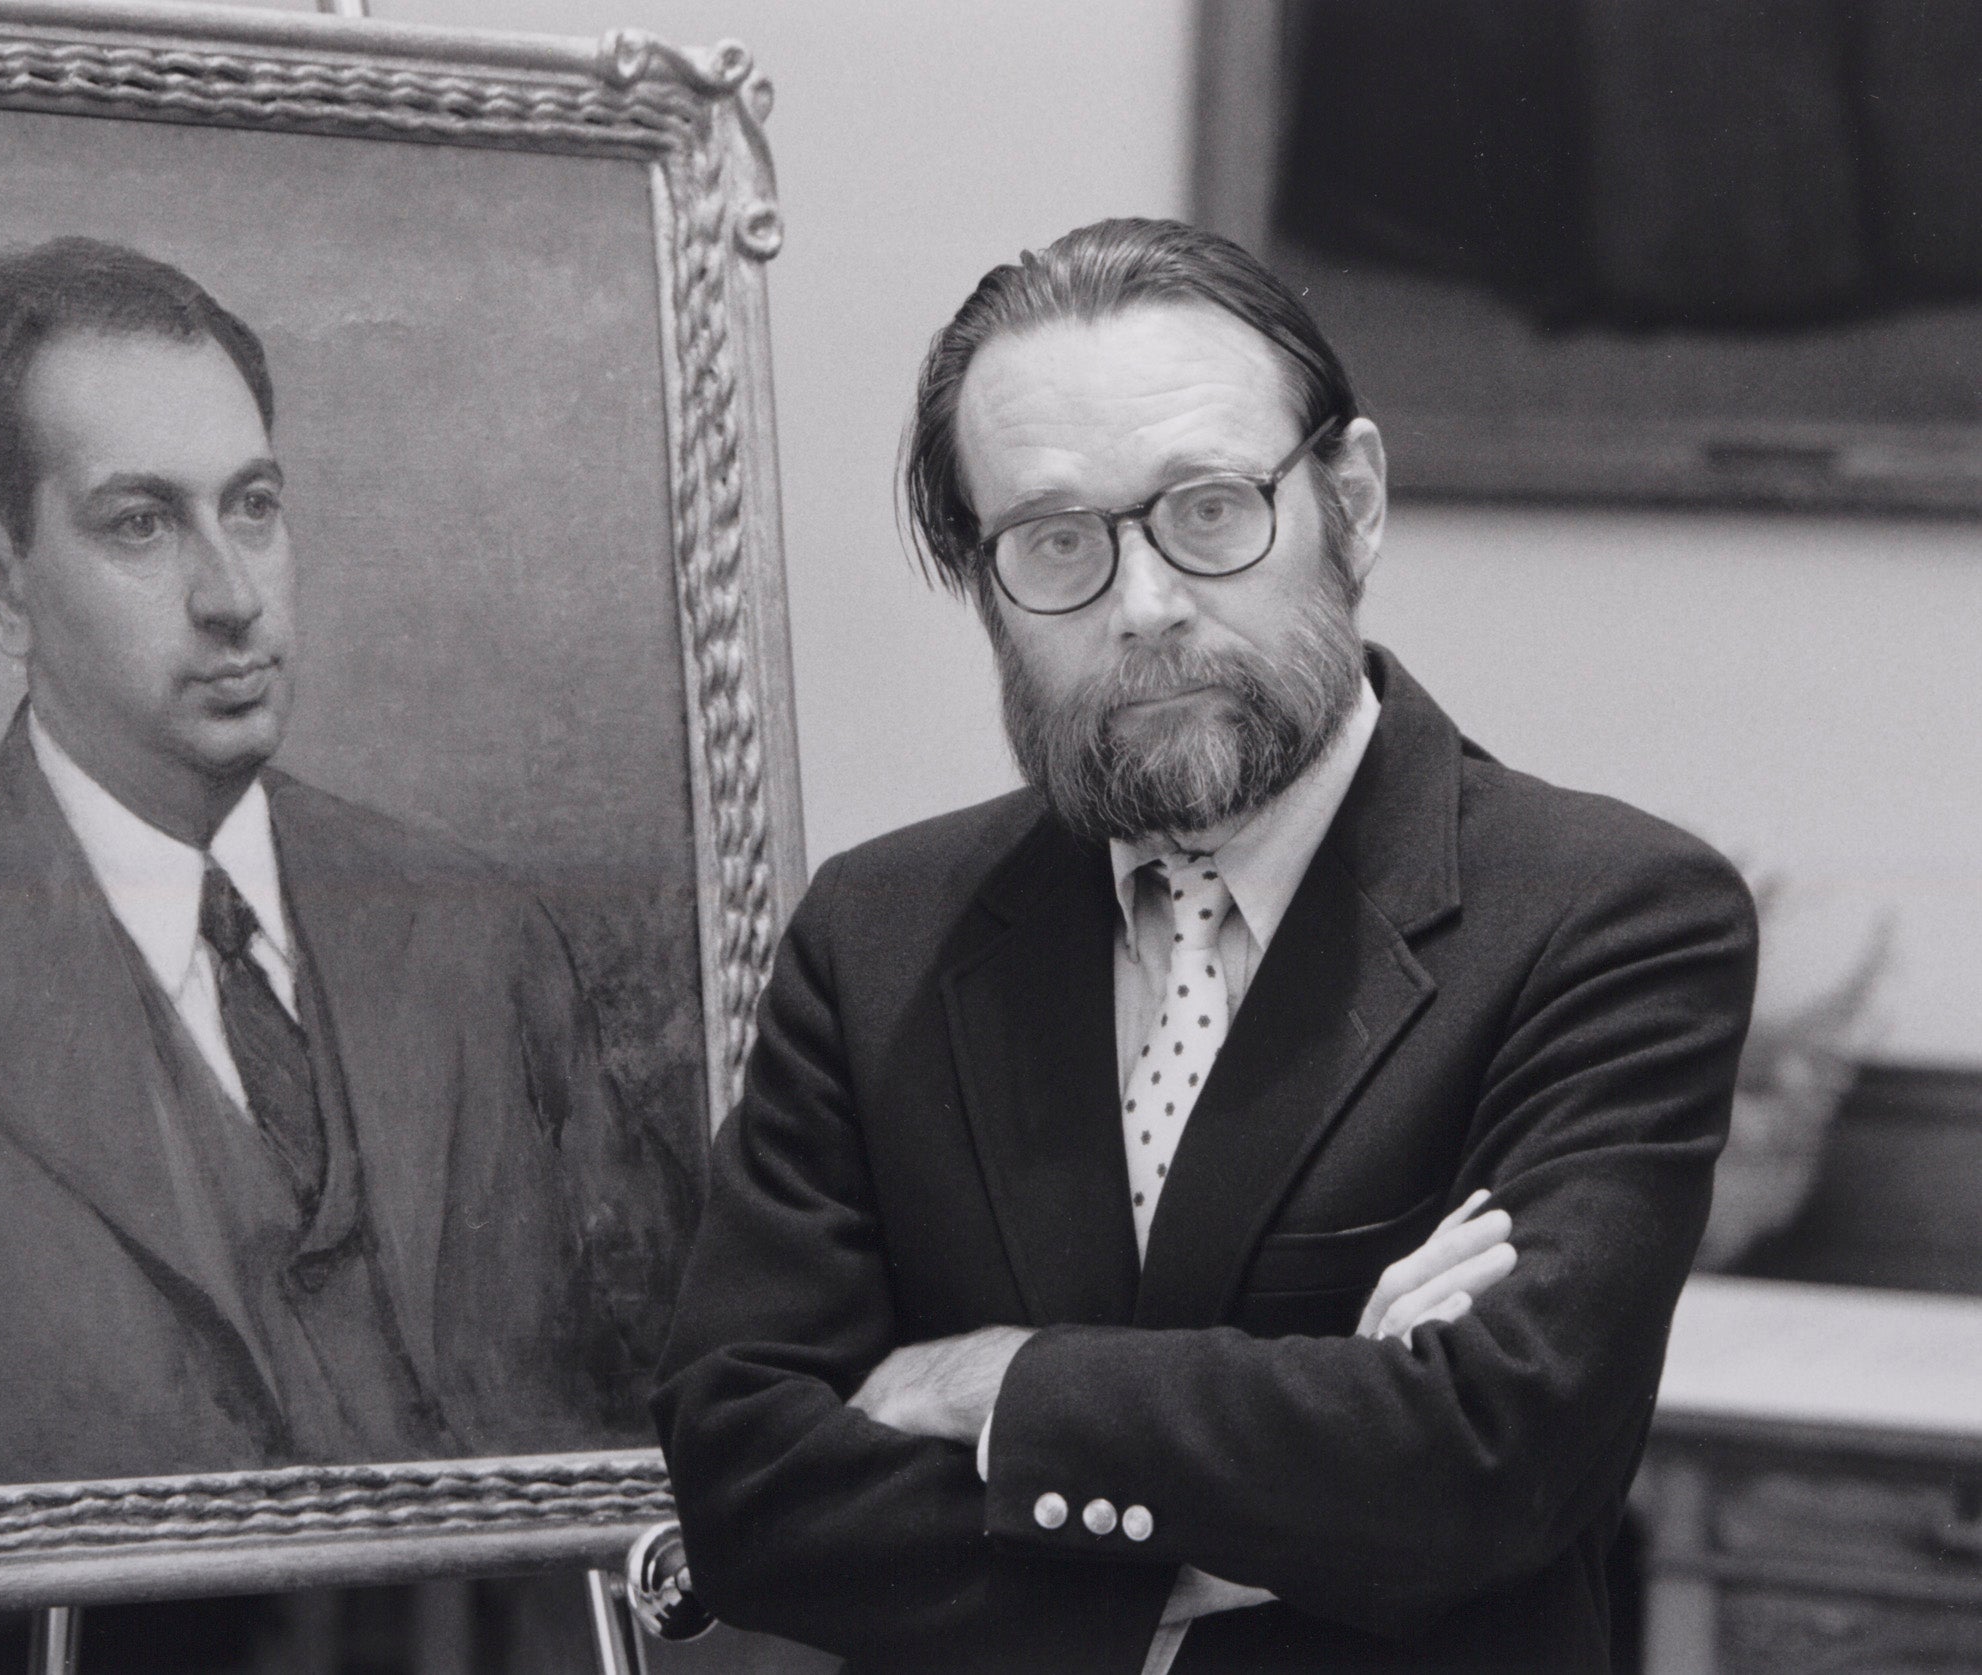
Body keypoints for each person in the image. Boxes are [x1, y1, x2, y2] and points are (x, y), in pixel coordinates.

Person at [652, 218, 1756, 1672]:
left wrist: (1000, 1386)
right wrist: (1313, 1459)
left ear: (1350, 501)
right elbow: (747, 1486)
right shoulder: (877, 935)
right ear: (986, 587)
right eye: (1056, 542)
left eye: (1211, 510)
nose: (1146, 605)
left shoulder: (1609, 915)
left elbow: (1483, 1464)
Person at [0, 238, 693, 1496]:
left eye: (255, 506)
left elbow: (680, 1408)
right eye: (142, 523)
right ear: (0, 582)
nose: (233, 595)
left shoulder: (475, 931)